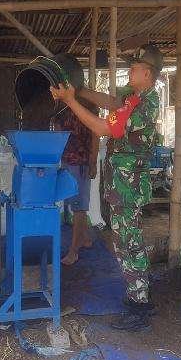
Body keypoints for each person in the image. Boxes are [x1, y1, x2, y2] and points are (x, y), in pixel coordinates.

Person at [50, 44, 162, 332]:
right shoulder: (134, 98)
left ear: (148, 74)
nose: (130, 71)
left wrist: (71, 101)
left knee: (129, 242)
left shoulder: (145, 105)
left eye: (135, 68)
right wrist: (79, 91)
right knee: (125, 241)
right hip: (123, 185)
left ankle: (139, 305)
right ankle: (137, 294)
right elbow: (112, 101)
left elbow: (103, 128)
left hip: (128, 187)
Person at [56, 99, 100, 265]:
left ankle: (73, 251)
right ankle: (84, 237)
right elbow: (58, 135)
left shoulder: (89, 107)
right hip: (67, 161)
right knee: (74, 202)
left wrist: (93, 162)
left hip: (81, 163)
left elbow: (95, 135)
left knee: (79, 208)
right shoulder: (61, 109)